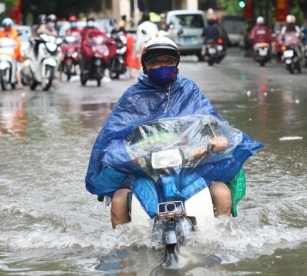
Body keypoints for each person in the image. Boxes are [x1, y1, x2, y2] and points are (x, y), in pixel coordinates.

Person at [85, 36, 263, 229]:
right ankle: (125, 255)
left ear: (176, 63)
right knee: (119, 201)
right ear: (145, 65)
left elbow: (210, 120)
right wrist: (123, 155)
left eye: (168, 61)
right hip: (143, 168)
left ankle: (222, 246)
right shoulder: (132, 97)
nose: (162, 66)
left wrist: (218, 138)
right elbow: (114, 135)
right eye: (155, 62)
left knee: (222, 194)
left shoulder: (189, 90)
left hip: (189, 163)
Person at [0, 18, 23, 90]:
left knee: (16, 68)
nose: (7, 28)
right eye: (5, 26)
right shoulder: (1, 33)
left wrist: (9, 37)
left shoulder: (14, 33)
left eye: (8, 26)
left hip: (12, 53)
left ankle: (19, 83)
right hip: (3, 53)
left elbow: (17, 43)